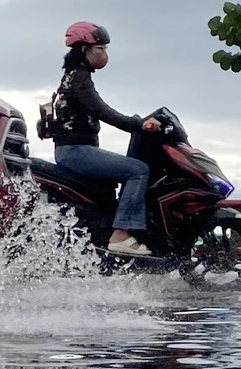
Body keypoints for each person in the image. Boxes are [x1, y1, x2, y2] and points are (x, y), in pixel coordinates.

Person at [47, 21, 158, 257]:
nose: (104, 55)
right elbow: (101, 110)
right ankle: (122, 233)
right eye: (100, 49)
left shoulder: (73, 77)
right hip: (76, 151)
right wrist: (138, 124)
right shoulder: (79, 79)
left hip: (73, 149)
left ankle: (111, 228)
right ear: (83, 49)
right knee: (138, 170)